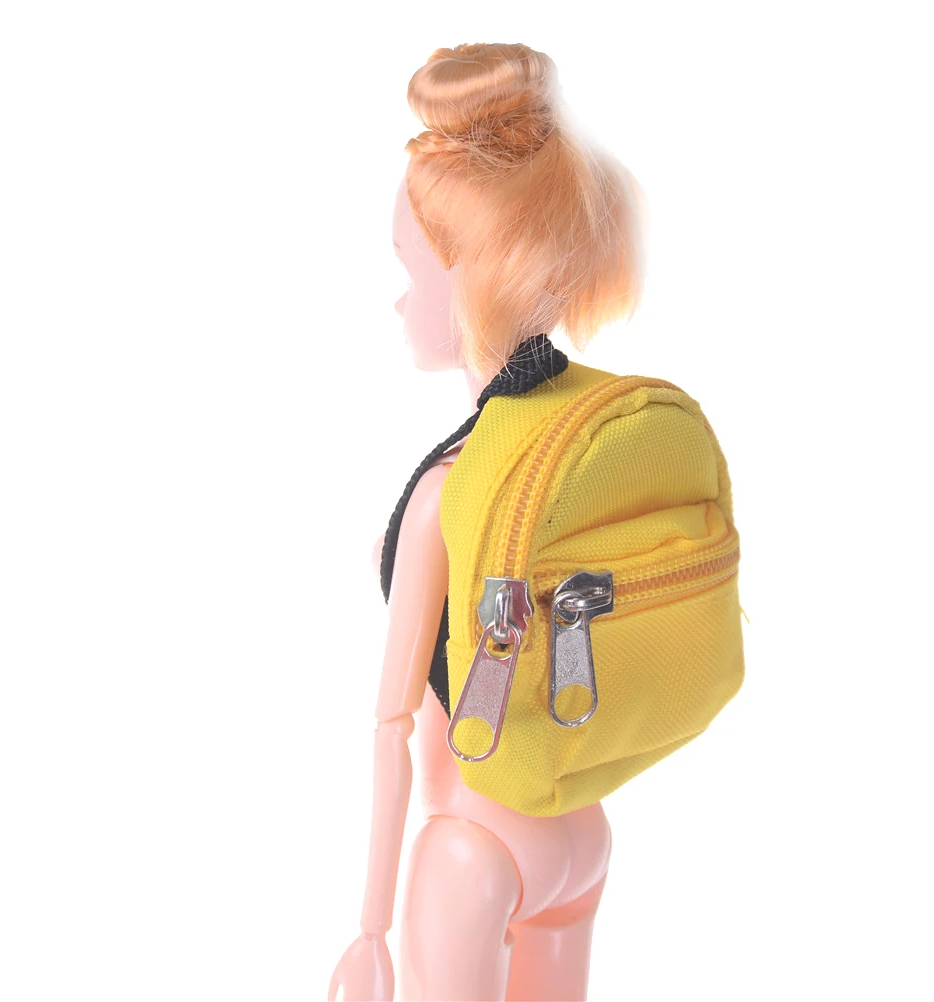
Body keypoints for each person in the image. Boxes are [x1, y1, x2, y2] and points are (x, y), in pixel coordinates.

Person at [329, 42, 645, 1002]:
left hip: (473, 840)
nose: (398, 297)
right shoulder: (584, 438)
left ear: (472, 279)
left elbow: (391, 729)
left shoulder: (447, 489)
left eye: (411, 267)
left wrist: (371, 932)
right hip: (578, 828)